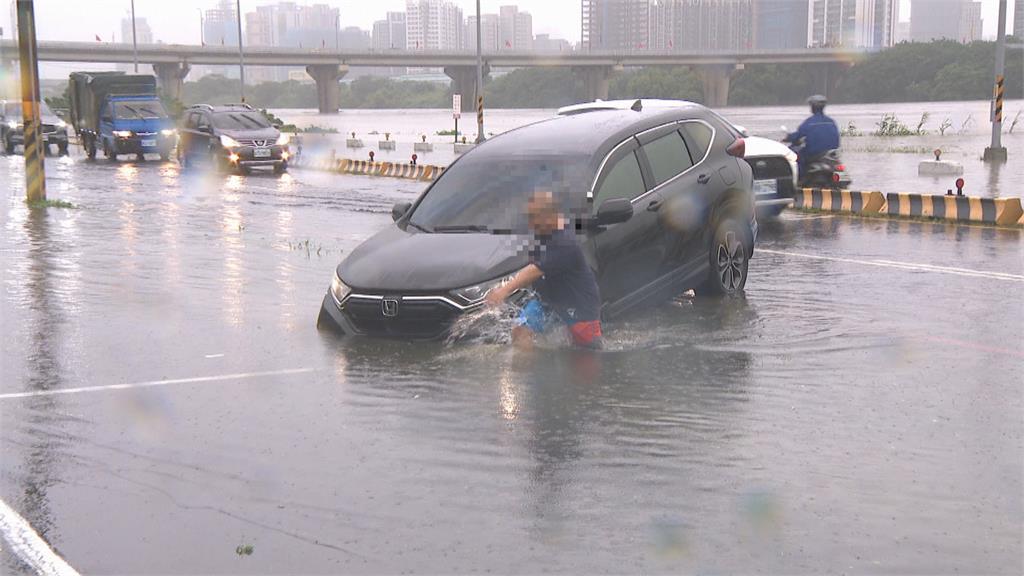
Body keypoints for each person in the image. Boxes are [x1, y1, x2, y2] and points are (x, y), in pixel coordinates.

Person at [485, 190, 603, 350]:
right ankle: (526, 374)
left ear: (551, 215)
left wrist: (503, 291)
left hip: (579, 308)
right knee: (520, 331)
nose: (531, 223)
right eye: (529, 217)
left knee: (584, 358)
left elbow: (535, 270)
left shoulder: (565, 242)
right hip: (549, 303)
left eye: (534, 217)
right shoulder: (543, 233)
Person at [784, 94, 840, 181]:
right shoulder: (831, 121)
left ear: (812, 107)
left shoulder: (809, 122)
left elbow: (798, 135)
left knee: (796, 155)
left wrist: (788, 137)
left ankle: (799, 180)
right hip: (831, 153)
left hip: (814, 154)